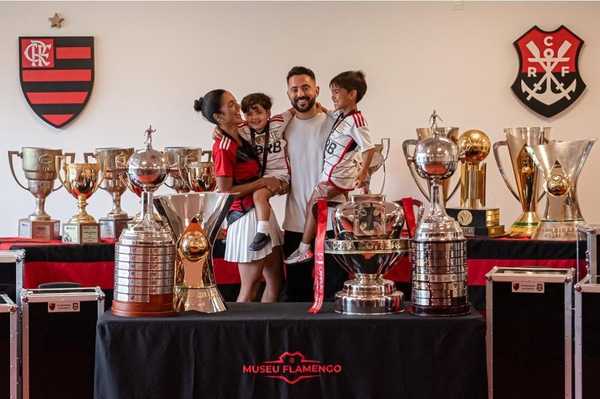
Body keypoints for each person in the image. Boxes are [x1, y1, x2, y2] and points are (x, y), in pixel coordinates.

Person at [194, 89, 284, 303]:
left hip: (261, 213)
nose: (238, 109)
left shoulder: (242, 134)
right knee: (250, 286)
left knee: (276, 282)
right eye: (232, 104)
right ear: (219, 116)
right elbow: (226, 192)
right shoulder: (223, 146)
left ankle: (264, 332)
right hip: (245, 217)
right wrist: (262, 183)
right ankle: (241, 335)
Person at [285, 70, 375, 264]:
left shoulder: (356, 120)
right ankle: (304, 247)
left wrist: (363, 172)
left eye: (336, 92)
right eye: (332, 92)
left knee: (315, 201)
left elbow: (370, 148)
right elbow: (328, 111)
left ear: (352, 94)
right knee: (315, 201)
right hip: (328, 179)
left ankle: (304, 248)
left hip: (339, 179)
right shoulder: (339, 117)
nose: (333, 96)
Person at [281, 66, 347, 302]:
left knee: (333, 293)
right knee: (296, 296)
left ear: (316, 90)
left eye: (306, 87)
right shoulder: (281, 126)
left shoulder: (337, 123)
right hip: (295, 222)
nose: (301, 93)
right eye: (294, 89)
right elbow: (247, 130)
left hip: (330, 222)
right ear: (288, 94)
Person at [239, 93, 292, 251]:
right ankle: (272, 233)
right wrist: (216, 130)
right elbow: (225, 126)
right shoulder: (243, 130)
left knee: (258, 196)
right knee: (255, 198)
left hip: (280, 175)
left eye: (259, 112)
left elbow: (294, 110)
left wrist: (321, 109)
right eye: (249, 114)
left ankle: (263, 233)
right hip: (260, 177)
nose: (254, 117)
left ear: (268, 113)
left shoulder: (278, 122)